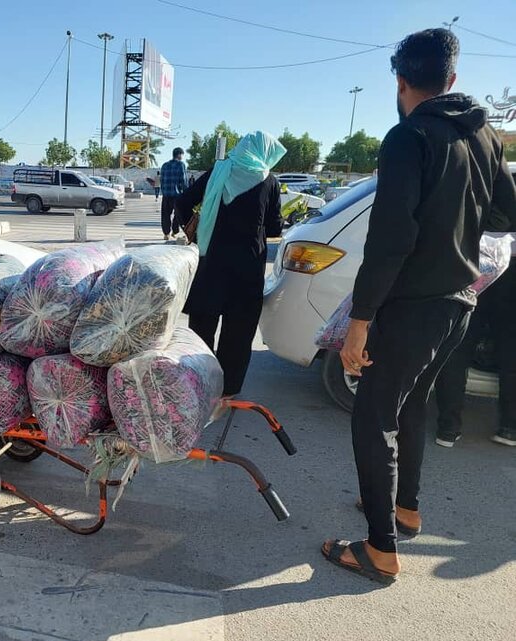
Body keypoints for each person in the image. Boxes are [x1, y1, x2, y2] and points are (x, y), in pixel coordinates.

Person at [326, 29, 516, 583]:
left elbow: (390, 241)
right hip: (460, 303)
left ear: (401, 82)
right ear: (451, 80)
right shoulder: (483, 138)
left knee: (372, 417)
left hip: (413, 306)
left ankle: (380, 551)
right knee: (410, 406)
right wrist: (458, 225)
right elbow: (507, 216)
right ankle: (403, 510)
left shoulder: (408, 137)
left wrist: (358, 323)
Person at [177, 131, 284, 397]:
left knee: (201, 329)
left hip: (211, 264)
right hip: (247, 270)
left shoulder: (219, 171)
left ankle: (198, 383)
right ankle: (227, 392)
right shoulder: (269, 181)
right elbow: (273, 226)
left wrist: (199, 226)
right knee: (238, 335)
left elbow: (183, 201)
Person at [434, 221, 516, 448]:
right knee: (511, 349)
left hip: (477, 257)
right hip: (511, 267)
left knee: (457, 344)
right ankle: (510, 428)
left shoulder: (486, 182)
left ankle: (448, 428)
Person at [160, 147, 187, 240]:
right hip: (176, 195)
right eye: (182, 155)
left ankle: (166, 234)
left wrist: (163, 191)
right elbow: (183, 180)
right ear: (179, 154)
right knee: (178, 213)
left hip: (166, 194)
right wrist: (186, 192)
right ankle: (175, 231)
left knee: (165, 214)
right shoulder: (181, 165)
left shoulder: (164, 165)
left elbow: (162, 180)